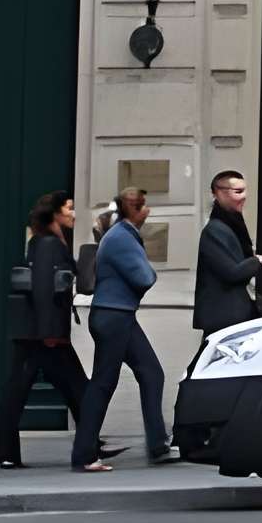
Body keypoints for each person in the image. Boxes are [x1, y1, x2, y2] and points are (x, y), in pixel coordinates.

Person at [0, 192, 90, 470]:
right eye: (68, 208)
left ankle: (4, 451)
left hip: (35, 332)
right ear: (54, 213)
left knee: (20, 391)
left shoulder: (42, 242)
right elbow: (43, 289)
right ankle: (89, 445)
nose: (73, 213)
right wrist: (50, 334)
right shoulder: (48, 245)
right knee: (78, 389)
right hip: (44, 334)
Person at [75, 189, 172, 469]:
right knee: (103, 384)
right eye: (145, 207)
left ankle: (158, 446)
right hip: (114, 317)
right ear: (136, 210)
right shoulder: (122, 237)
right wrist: (150, 269)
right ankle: (84, 454)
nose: (149, 212)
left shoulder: (119, 235)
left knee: (151, 373)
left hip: (118, 315)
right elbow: (144, 277)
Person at [193, 171, 262, 340]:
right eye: (238, 192)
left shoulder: (229, 225)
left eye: (244, 190)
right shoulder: (215, 230)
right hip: (224, 317)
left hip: (231, 314)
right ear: (218, 193)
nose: (244, 197)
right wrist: (257, 260)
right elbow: (232, 272)